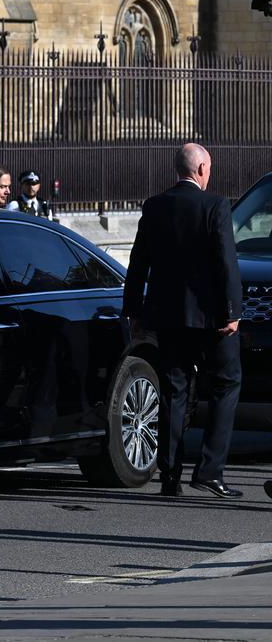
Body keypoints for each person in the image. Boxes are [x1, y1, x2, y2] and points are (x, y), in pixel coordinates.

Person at [123, 143, 243, 499]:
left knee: (174, 389)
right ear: (202, 168)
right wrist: (233, 311)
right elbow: (226, 262)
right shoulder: (215, 205)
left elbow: (137, 263)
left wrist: (133, 311)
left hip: (167, 315)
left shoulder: (155, 206)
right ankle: (209, 470)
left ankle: (170, 474)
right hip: (211, 318)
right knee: (226, 383)